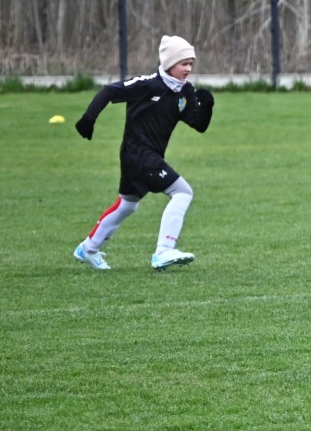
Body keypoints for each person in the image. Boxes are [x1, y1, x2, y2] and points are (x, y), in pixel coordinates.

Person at [73, 35, 215, 271]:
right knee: (183, 192)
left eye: (191, 63)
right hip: (137, 155)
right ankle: (164, 250)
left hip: (147, 157)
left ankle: (88, 248)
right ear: (170, 63)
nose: (188, 69)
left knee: (127, 205)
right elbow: (109, 91)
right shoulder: (147, 85)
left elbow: (199, 125)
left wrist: (207, 106)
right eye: (184, 63)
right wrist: (89, 119)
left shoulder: (185, 90)